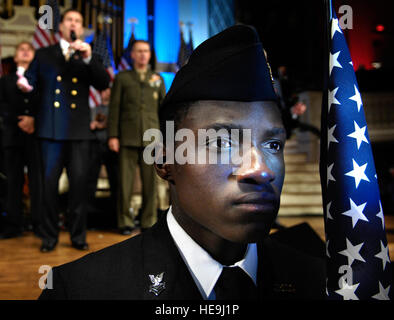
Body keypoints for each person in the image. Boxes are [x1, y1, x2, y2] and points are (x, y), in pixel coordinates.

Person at [39, 25, 325, 300]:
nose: (261, 169)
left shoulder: (323, 282)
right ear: (164, 159)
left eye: (272, 144)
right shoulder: (79, 291)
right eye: (221, 143)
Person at [25, 9, 110, 252]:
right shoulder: (43, 54)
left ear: (81, 29)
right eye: (69, 20)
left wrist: (87, 58)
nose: (73, 24)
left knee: (79, 187)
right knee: (48, 187)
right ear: (61, 26)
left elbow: (103, 82)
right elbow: (30, 86)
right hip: (50, 131)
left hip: (79, 131)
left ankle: (77, 235)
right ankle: (49, 236)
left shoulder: (87, 54)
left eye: (78, 21)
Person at [108, 40, 166, 235]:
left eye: (146, 51)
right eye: (139, 51)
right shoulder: (122, 78)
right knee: (125, 183)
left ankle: (148, 221)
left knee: (151, 183)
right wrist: (113, 135)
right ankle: (124, 221)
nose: (142, 55)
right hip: (127, 137)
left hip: (152, 138)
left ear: (150, 54)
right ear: (132, 55)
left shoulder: (157, 79)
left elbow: (163, 111)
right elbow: (114, 108)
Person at [0, 41, 42, 239]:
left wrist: (34, 120)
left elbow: (45, 105)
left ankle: (38, 223)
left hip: (36, 137)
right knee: (13, 182)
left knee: (37, 182)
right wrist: (19, 121)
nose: (25, 52)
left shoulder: (40, 80)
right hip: (13, 137)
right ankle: (13, 225)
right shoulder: (5, 81)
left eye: (29, 49)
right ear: (15, 56)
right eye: (21, 49)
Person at [86, 88, 118, 225]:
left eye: (110, 91)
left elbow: (112, 124)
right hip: (95, 147)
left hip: (111, 148)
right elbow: (89, 125)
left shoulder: (115, 110)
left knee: (115, 181)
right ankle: (89, 217)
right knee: (90, 181)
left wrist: (102, 125)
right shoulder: (94, 109)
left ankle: (114, 217)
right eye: (104, 90)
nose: (107, 93)